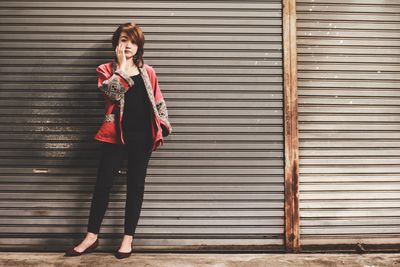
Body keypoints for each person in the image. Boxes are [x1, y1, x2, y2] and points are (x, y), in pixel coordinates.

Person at [64, 22, 172, 259]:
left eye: (133, 41)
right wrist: (122, 67)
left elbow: (159, 101)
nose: (128, 45)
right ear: (116, 43)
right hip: (114, 136)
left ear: (139, 46)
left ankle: (127, 239)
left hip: (142, 138)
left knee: (136, 187)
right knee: (102, 186)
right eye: (124, 40)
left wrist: (163, 126)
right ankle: (91, 237)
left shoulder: (148, 71)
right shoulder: (105, 70)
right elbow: (112, 93)